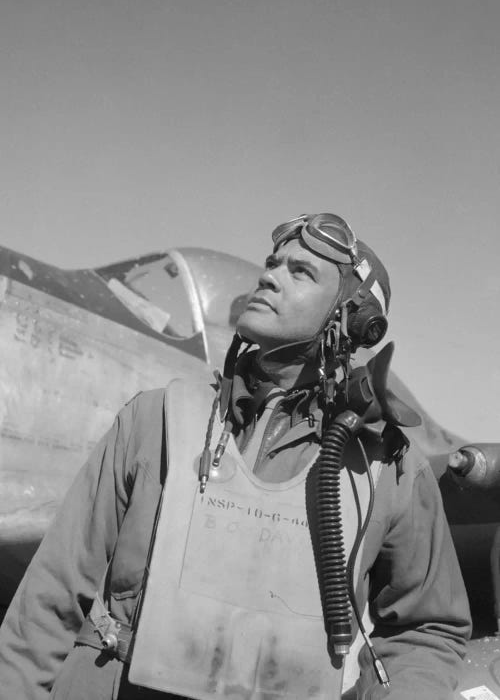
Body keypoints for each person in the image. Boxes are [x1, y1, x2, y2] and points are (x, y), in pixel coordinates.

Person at [0, 213, 471, 700]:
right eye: (273, 263)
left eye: (301, 272)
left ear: (350, 319)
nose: (269, 276)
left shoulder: (387, 467)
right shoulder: (153, 419)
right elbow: (47, 605)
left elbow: (427, 630)